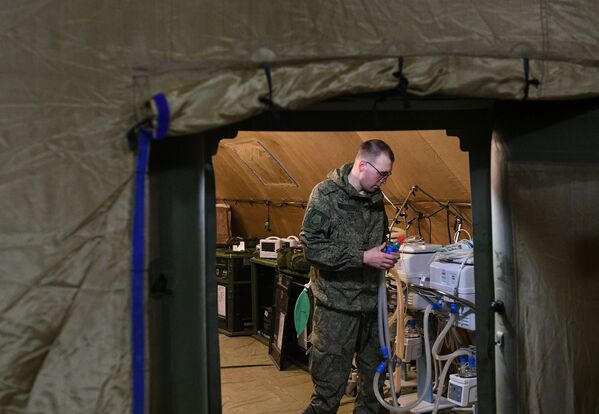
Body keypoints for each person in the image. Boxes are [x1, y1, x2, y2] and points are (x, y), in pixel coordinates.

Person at [300, 139, 399, 414]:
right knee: (327, 395)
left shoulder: (376, 199)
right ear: (362, 165)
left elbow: (376, 243)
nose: (384, 181)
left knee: (375, 392)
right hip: (336, 311)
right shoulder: (326, 195)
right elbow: (312, 247)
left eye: (388, 175)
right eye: (382, 174)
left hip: (370, 309)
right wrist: (364, 257)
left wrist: (384, 255)